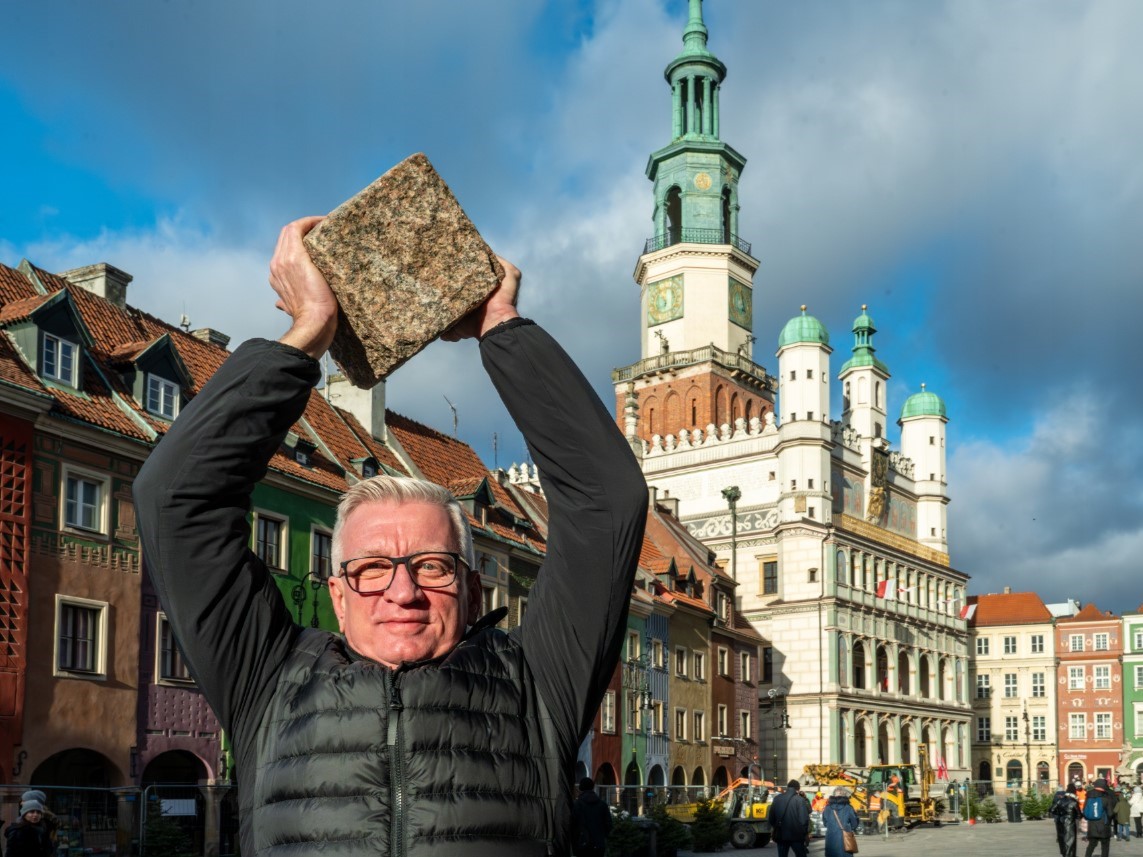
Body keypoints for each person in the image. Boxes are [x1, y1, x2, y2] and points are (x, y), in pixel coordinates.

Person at [133, 218, 648, 857]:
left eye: (432, 564)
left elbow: (607, 501)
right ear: (337, 593)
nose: (401, 591)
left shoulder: (536, 683)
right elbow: (174, 498)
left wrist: (499, 324)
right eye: (372, 567)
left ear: (471, 584)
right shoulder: (267, 679)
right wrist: (309, 332)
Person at [769, 780, 812, 857]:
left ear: (787, 788)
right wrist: (805, 833)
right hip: (796, 836)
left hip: (781, 835)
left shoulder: (777, 799)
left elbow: (771, 818)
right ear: (798, 789)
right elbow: (804, 820)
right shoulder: (800, 800)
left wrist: (776, 827)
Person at [570, 778, 611, 857]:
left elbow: (572, 825)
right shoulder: (602, 805)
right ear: (592, 787)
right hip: (599, 845)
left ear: (580, 788)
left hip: (581, 845)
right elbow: (608, 825)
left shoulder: (577, 805)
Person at [822, 787, 859, 857]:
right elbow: (855, 823)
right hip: (845, 838)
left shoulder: (827, 808)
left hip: (831, 838)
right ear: (844, 795)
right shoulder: (848, 807)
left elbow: (825, 823)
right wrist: (850, 827)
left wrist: (832, 827)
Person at [1084, 779, 1116, 857]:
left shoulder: (1088, 797)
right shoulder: (1106, 798)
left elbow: (1085, 811)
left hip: (1092, 826)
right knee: (1105, 846)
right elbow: (1110, 813)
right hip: (1104, 826)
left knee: (1091, 845)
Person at [1050, 783, 1080, 857]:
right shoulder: (1074, 802)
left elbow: (1052, 809)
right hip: (1070, 824)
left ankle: (1064, 853)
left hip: (1060, 822)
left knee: (1062, 840)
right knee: (1070, 842)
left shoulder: (1060, 801)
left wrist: (1060, 813)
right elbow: (1079, 815)